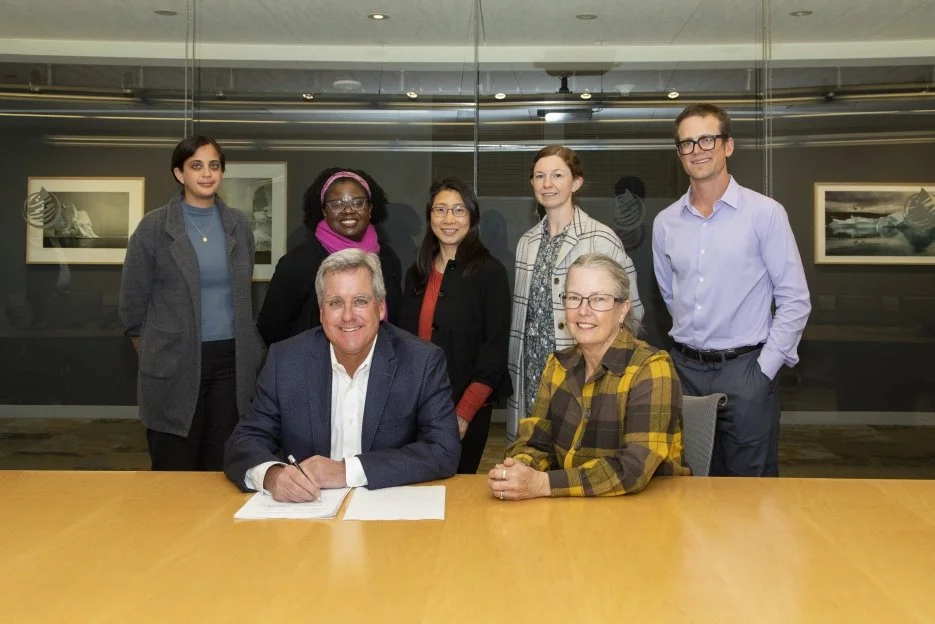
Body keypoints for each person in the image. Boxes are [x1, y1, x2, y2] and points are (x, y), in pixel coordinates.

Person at [652, 103, 811, 477]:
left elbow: (795, 300)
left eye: (707, 138)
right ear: (679, 153)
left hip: (747, 371)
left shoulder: (765, 213)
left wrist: (764, 371)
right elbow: (671, 294)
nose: (697, 149)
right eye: (687, 143)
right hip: (685, 371)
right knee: (687, 481)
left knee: (750, 491)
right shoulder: (665, 223)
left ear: (728, 146)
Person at [224, 249, 460, 500]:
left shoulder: (421, 361)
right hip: (305, 517)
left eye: (360, 301)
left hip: (388, 513)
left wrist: (345, 471)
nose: (348, 316)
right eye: (335, 303)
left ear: (381, 308)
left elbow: (443, 450)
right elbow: (245, 441)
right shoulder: (285, 360)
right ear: (322, 312)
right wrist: (273, 476)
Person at [489, 253, 688, 500]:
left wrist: (543, 483)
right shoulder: (557, 366)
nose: (583, 311)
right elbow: (534, 443)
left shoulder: (652, 368)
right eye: (574, 298)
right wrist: (520, 469)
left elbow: (633, 469)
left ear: (623, 310)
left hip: (647, 513)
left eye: (598, 299)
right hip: (575, 511)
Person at [119, 135, 264, 471]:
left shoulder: (239, 225)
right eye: (196, 165)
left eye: (214, 165)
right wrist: (157, 348)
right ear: (179, 173)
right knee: (175, 462)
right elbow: (132, 303)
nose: (206, 173)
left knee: (223, 462)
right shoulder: (154, 227)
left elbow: (243, 292)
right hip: (175, 359)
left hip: (231, 361)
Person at [507, 144, 644, 441]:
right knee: (534, 451)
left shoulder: (602, 238)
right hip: (533, 370)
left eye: (557, 175)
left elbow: (632, 313)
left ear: (576, 182)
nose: (547, 184)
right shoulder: (526, 243)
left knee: (578, 453)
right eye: (539, 176)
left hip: (584, 371)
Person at [399, 177, 512, 474]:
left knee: (457, 494)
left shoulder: (490, 273)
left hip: (466, 410)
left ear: (472, 217)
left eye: (459, 210)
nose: (449, 219)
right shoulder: (416, 274)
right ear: (430, 216)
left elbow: (495, 349)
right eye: (440, 210)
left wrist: (463, 414)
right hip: (413, 408)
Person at [256, 167, 403, 346]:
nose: (348, 210)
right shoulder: (299, 262)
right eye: (337, 204)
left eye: (357, 202)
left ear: (370, 209)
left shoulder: (388, 259)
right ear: (324, 212)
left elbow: (396, 322)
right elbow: (271, 327)